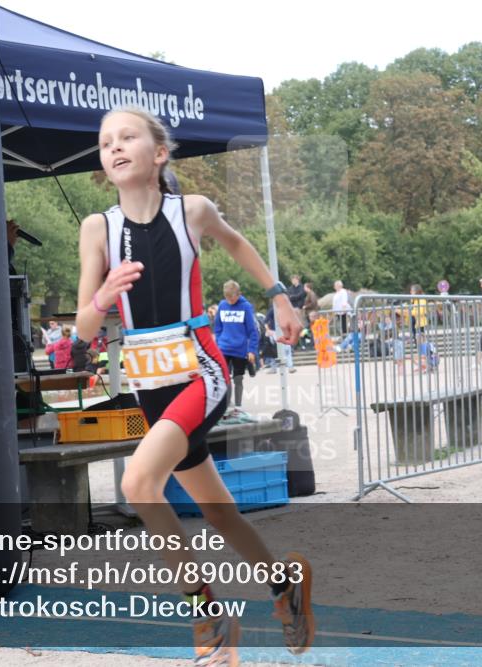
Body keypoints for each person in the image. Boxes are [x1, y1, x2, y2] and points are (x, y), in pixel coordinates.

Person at [73, 108, 314, 664]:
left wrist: (278, 295)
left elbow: (236, 243)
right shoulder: (98, 228)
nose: (114, 147)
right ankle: (284, 586)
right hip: (148, 381)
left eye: (127, 137)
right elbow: (86, 328)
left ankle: (205, 611)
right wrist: (105, 296)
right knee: (219, 511)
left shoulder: (192, 211)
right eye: (105, 142)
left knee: (138, 484)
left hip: (200, 370)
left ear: (159, 154)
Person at [213, 280, 259, 413]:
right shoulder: (222, 305)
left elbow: (252, 331)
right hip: (224, 348)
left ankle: (238, 406)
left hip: (240, 350)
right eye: (227, 297)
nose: (229, 300)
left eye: (231, 298)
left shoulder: (246, 307)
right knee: (223, 379)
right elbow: (218, 327)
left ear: (238, 294)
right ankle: (225, 405)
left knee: (238, 378)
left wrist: (252, 350)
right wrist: (219, 343)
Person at [265, 304, 297, 373]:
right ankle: (273, 368)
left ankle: (290, 367)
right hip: (274, 332)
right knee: (273, 351)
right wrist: (268, 330)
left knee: (287, 349)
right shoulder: (272, 309)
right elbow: (266, 321)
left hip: (284, 331)